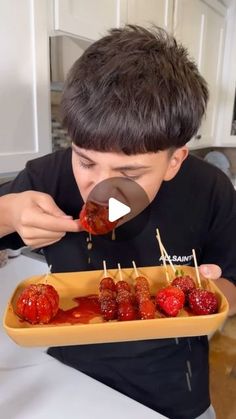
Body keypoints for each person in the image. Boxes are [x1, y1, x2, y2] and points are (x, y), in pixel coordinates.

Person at [0, 25, 236, 419]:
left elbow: (233, 281)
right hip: (67, 376)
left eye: (129, 172)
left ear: (174, 161)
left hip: (174, 392)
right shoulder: (47, 178)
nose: (99, 186)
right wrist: (6, 214)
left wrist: (210, 293)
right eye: (85, 161)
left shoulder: (210, 189)